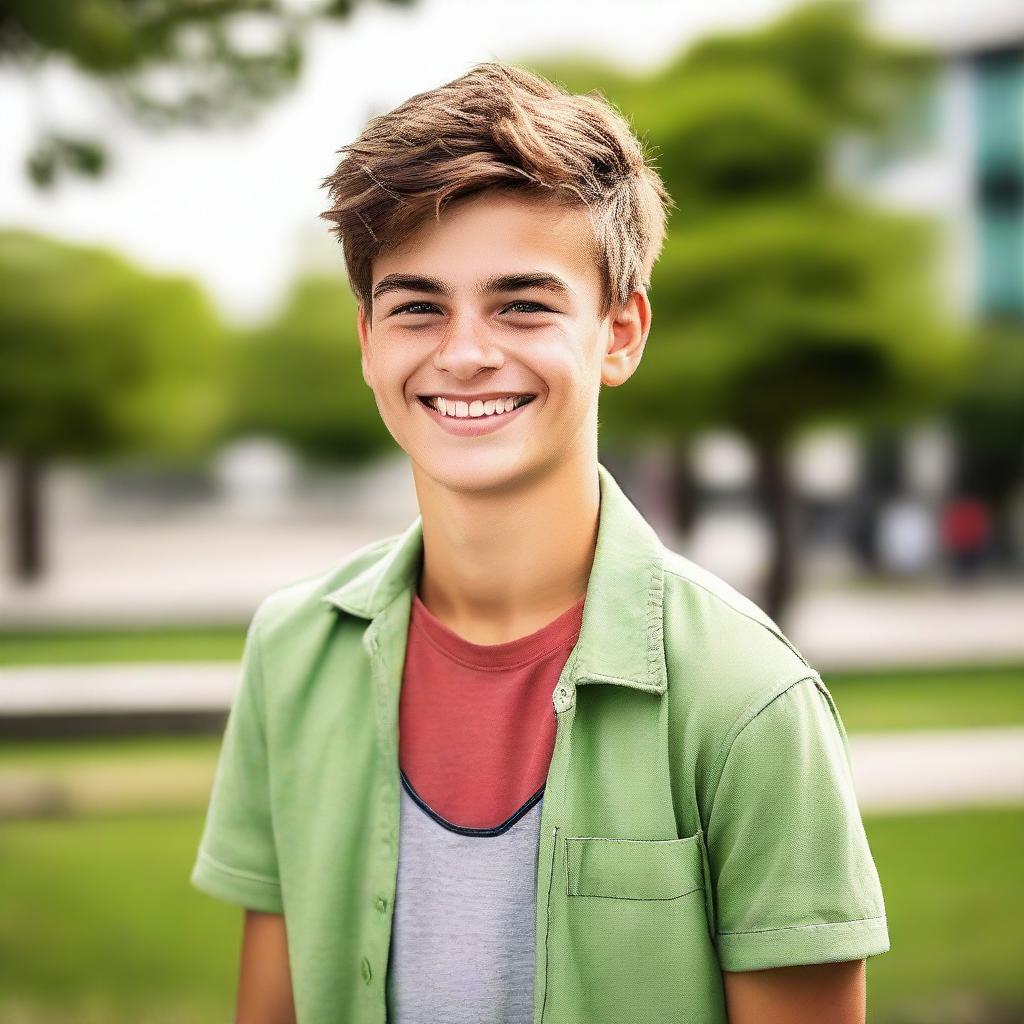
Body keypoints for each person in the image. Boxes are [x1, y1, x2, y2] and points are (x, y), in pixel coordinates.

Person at [190, 60, 889, 1024]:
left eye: (522, 303)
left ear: (620, 333)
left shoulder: (750, 700)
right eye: (417, 306)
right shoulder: (291, 651)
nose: (465, 351)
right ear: (367, 341)